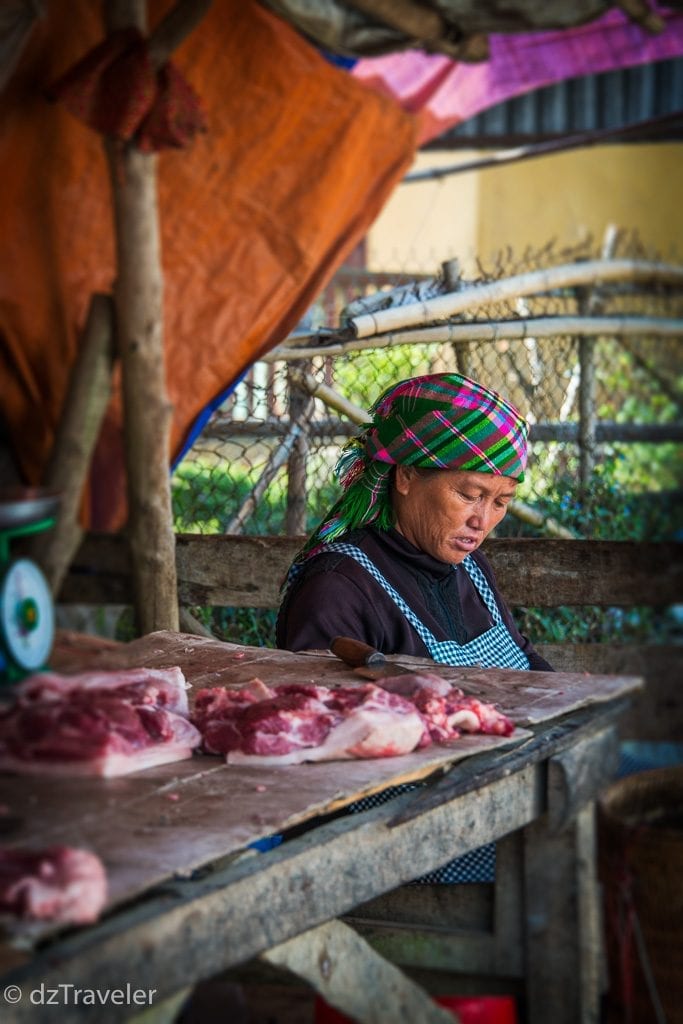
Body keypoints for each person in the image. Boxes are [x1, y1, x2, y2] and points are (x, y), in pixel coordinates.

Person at [277, 371, 553, 673]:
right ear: (406, 475)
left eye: (501, 502)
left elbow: (526, 659)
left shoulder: (473, 569)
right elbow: (320, 696)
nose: (483, 521)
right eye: (469, 495)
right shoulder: (338, 590)